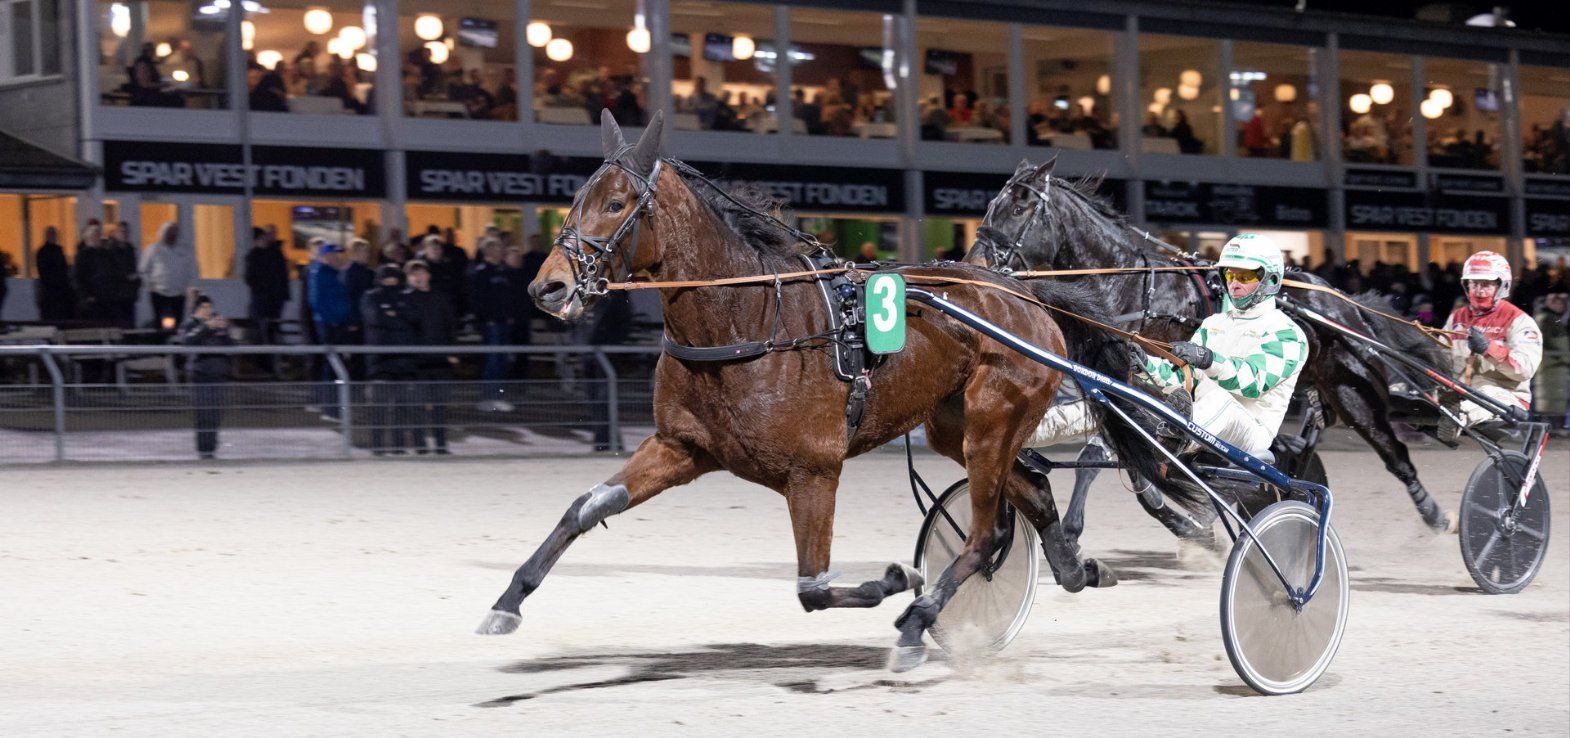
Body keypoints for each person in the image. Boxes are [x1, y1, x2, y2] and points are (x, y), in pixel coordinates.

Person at [1027, 234, 1308, 461]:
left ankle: (1164, 443)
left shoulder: (1286, 333)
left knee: (1219, 402)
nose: (1234, 284)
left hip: (1248, 430)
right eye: (1230, 275)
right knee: (1111, 400)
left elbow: (1252, 382)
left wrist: (1208, 359)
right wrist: (1146, 365)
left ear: (1270, 281)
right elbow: (1180, 379)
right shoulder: (1214, 323)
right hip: (1195, 420)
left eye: (1245, 277)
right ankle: (1024, 434)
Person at [1438, 251, 1544, 443]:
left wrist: (1489, 349)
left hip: (1507, 398)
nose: (1478, 290)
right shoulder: (1457, 318)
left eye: (1486, 285)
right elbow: (1442, 356)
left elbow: (1525, 369)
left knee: (1486, 392)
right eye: (1473, 284)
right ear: (1465, 285)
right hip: (1461, 393)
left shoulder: (1519, 321)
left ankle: (1457, 418)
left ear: (1502, 286)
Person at [362, 264, 421, 455]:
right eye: (387, 280)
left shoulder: (407, 297)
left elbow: (414, 318)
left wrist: (394, 317)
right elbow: (375, 319)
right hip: (380, 362)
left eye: (394, 280)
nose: (391, 284)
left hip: (404, 362)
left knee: (401, 409)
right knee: (379, 409)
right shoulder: (371, 297)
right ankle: (377, 448)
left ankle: (398, 448)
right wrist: (399, 320)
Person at [406, 260, 457, 454]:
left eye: (421, 273)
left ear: (428, 275)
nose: (418, 277)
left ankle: (441, 445)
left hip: (440, 361)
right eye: (413, 274)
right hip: (417, 363)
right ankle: (420, 446)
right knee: (418, 407)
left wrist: (452, 351)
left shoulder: (439, 298)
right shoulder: (406, 299)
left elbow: (450, 326)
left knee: (440, 407)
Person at [180, 294, 234, 460]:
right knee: (203, 414)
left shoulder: (217, 325)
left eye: (209, 307)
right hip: (200, 375)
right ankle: (204, 450)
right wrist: (206, 327)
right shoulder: (190, 324)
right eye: (204, 307)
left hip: (218, 375)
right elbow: (188, 342)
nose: (208, 311)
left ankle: (212, 449)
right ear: (197, 309)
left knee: (216, 414)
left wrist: (224, 331)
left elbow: (232, 346)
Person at [307, 241, 352, 418]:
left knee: (337, 365)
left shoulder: (335, 273)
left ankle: (336, 407)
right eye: (334, 254)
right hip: (329, 324)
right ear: (326, 256)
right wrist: (333, 320)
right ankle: (330, 407)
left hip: (338, 324)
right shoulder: (319, 273)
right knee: (331, 365)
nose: (338, 257)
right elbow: (316, 301)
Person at [469, 238, 515, 411]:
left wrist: (509, 315)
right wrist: (486, 317)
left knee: (503, 360)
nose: (501, 251)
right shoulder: (482, 272)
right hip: (492, 324)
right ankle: (488, 397)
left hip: (504, 322)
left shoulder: (503, 271)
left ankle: (500, 395)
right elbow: (477, 298)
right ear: (489, 252)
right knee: (492, 360)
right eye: (497, 248)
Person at [73, 221, 141, 327]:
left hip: (108, 298)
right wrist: (86, 295)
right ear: (89, 237)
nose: (98, 237)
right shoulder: (83, 255)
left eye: (99, 234)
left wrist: (130, 280)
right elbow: (78, 277)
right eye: (95, 235)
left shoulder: (105, 253)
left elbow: (115, 272)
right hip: (92, 300)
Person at [139, 221, 197, 329]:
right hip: (159, 294)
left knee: (178, 324)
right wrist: (150, 287)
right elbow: (143, 270)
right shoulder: (153, 250)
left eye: (174, 232)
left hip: (179, 294)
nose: (172, 235)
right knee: (159, 324)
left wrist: (190, 289)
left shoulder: (185, 250)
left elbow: (192, 271)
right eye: (169, 232)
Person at [244, 227, 290, 345]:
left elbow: (281, 275)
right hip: (264, 298)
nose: (264, 241)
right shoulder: (255, 256)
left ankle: (272, 356)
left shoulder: (273, 254)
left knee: (271, 328)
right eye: (261, 238)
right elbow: (250, 278)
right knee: (263, 329)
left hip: (273, 298)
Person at [1533, 292, 1568, 427]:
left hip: (1556, 369)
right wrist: (1563, 356)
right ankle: (1551, 431)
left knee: (1554, 401)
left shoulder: (1553, 318)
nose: (1561, 305)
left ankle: (1553, 429)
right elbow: (1546, 343)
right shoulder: (1547, 319)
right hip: (1551, 368)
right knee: (1549, 402)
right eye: (1556, 301)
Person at [34, 226, 75, 321]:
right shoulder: (42, 252)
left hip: (60, 292)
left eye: (54, 235)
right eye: (51, 234)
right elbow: (43, 272)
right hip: (50, 292)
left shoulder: (58, 250)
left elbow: (64, 268)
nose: (53, 237)